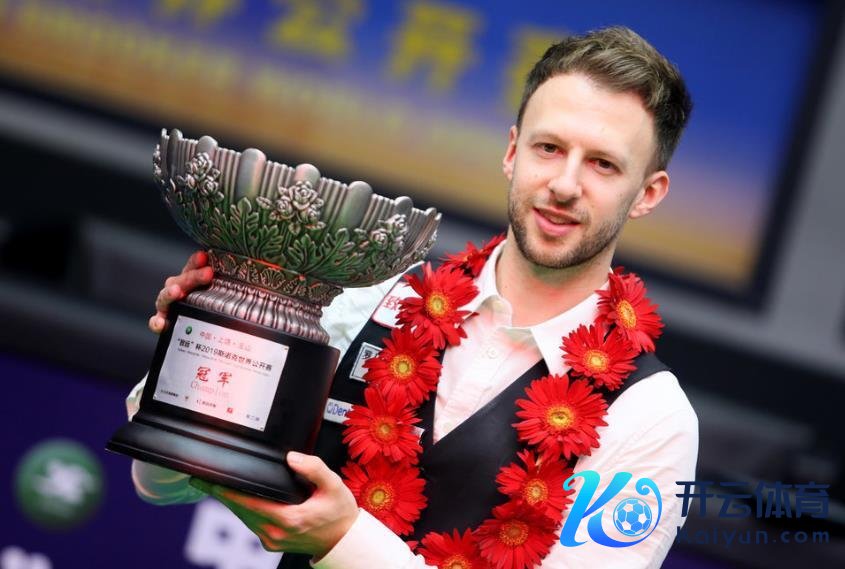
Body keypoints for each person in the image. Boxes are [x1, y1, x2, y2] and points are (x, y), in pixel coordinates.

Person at [129, 26, 697, 568]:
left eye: (602, 164)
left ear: (647, 193)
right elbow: (161, 482)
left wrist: (343, 543)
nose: (565, 185)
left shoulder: (651, 417)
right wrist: (206, 342)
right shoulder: (371, 298)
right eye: (548, 147)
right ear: (512, 152)